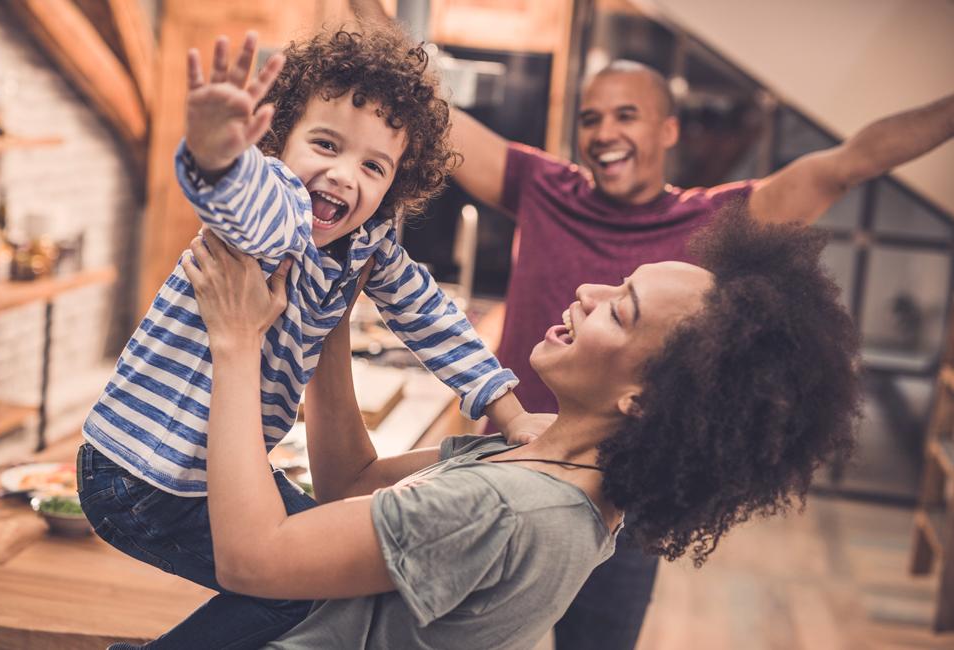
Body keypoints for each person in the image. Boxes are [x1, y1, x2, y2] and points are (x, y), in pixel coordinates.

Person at [347, 3, 954, 645]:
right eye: (590, 118)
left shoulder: (722, 219)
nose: (604, 131)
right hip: (514, 452)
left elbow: (850, 161)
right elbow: (433, 109)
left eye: (625, 115)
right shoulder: (540, 185)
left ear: (668, 131)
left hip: (618, 494)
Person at [182, 207, 859, 649]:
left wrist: (237, 342)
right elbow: (347, 482)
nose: (588, 294)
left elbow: (251, 558)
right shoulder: (553, 473)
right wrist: (330, 327)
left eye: (619, 312)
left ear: (644, 401)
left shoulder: (501, 509)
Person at [79, 26, 549, 650]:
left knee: (321, 570)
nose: (342, 175)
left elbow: (433, 320)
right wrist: (216, 155)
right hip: (141, 474)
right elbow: (242, 198)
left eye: (373, 165)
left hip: (195, 476)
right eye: (325, 144)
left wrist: (509, 413)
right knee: (303, 585)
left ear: (396, 184)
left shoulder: (367, 245)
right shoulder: (278, 210)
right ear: (278, 141)